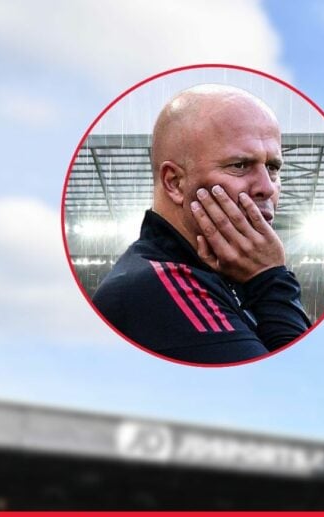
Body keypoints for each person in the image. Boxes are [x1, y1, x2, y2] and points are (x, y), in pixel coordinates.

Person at [91, 84, 311, 365]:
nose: (267, 187)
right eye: (240, 165)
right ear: (175, 183)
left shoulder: (220, 275)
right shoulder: (158, 289)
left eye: (273, 167)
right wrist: (271, 280)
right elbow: (294, 392)